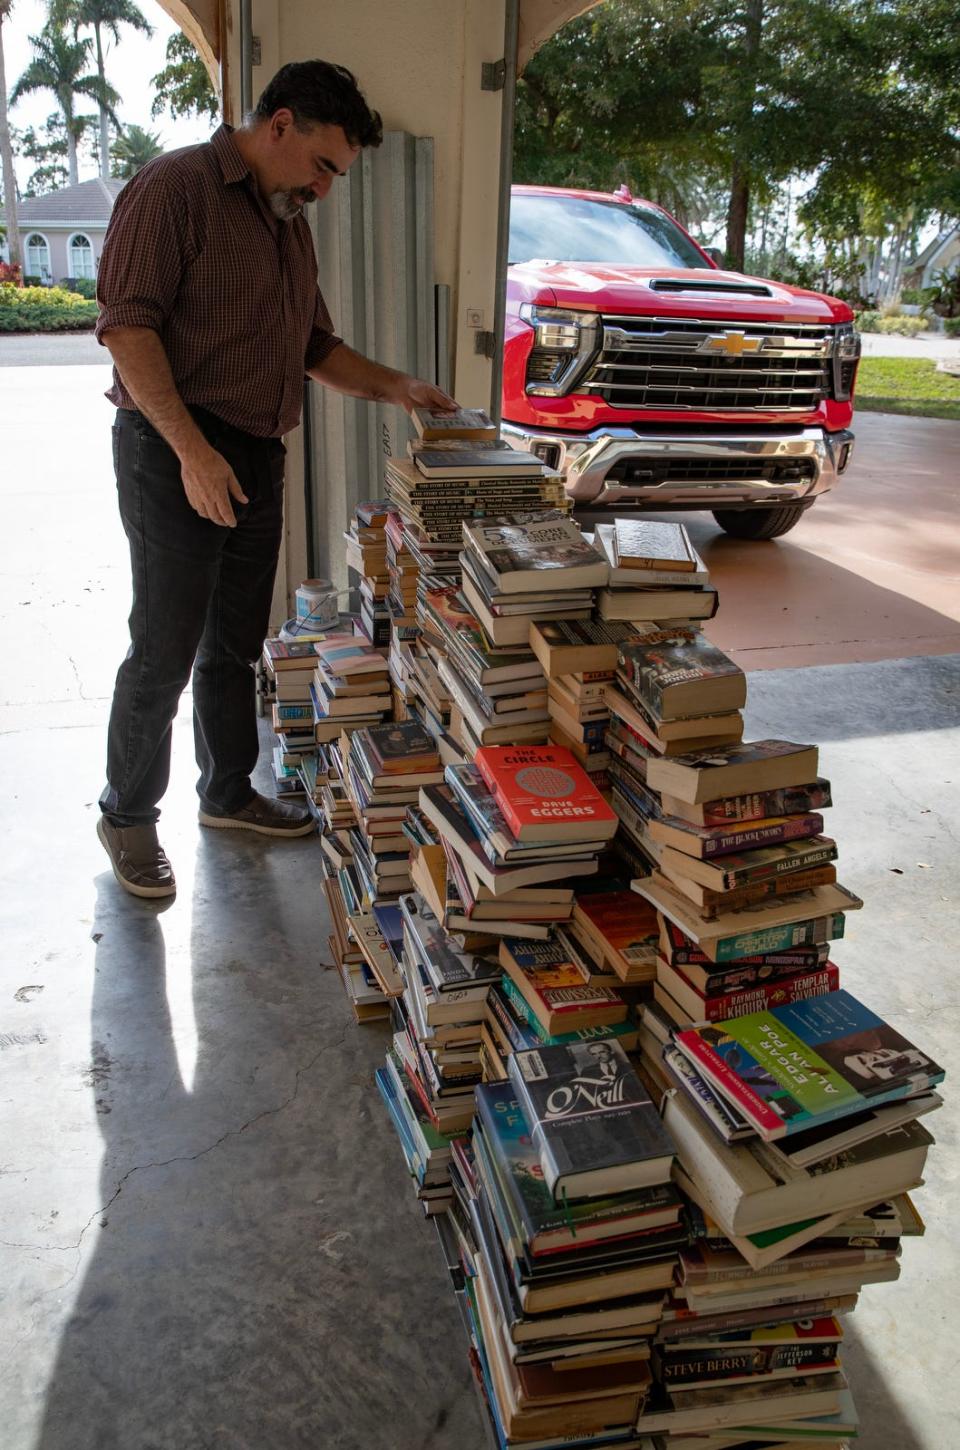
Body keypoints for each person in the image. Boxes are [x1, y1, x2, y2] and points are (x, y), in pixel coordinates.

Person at [94, 60, 455, 900]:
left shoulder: (287, 217)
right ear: (280, 125)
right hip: (172, 448)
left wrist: (398, 385)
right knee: (163, 649)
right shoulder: (173, 189)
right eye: (324, 165)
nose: (327, 188)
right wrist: (191, 450)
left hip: (257, 452)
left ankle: (226, 794)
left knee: (235, 643)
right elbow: (127, 329)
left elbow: (314, 347)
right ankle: (127, 818)